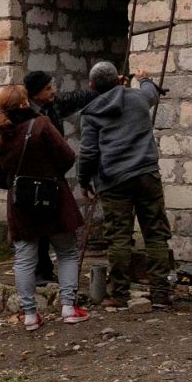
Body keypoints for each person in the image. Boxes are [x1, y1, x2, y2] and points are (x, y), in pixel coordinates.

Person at [0, 84, 90, 331]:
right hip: (54, 198)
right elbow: (67, 156)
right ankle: (68, 307)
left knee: (24, 259)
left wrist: (17, 185)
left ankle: (30, 315)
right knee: (66, 252)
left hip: (20, 204)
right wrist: (47, 175)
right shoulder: (42, 124)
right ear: (24, 103)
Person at [77, 61, 175, 309]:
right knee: (155, 235)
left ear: (91, 85)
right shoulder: (138, 98)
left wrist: (83, 180)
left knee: (119, 237)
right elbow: (151, 94)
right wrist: (143, 78)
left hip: (113, 180)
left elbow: (88, 152)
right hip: (146, 174)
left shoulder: (90, 113)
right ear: (119, 80)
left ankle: (120, 295)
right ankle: (161, 294)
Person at [21, 71, 99, 284]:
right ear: (35, 94)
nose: (53, 91)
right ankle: (39, 272)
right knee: (34, 229)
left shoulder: (53, 105)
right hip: (29, 178)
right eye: (47, 88)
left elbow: (78, 98)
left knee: (50, 223)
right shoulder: (23, 113)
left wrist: (106, 85)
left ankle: (44, 271)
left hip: (51, 176)